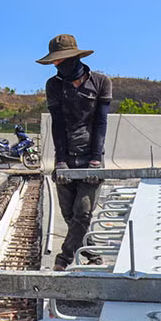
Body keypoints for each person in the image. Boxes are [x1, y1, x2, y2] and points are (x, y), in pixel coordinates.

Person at [36, 34, 112, 271]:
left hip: (91, 156)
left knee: (83, 213)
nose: (57, 65)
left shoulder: (101, 82)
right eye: (55, 62)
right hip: (66, 156)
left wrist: (95, 159)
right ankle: (93, 254)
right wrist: (60, 160)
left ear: (75, 58)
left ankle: (63, 259)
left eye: (61, 60)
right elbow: (58, 124)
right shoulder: (54, 85)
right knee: (69, 215)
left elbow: (100, 123)